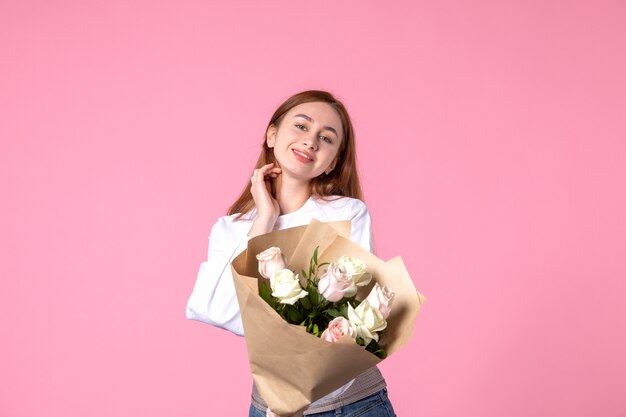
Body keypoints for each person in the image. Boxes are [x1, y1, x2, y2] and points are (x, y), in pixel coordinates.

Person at [186, 90, 397, 417]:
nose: (311, 141)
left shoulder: (346, 214)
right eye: (301, 126)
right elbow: (220, 310)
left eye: (326, 138)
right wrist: (264, 221)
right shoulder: (231, 228)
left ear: (334, 162)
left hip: (352, 404)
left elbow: (347, 318)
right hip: (270, 407)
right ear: (272, 135)